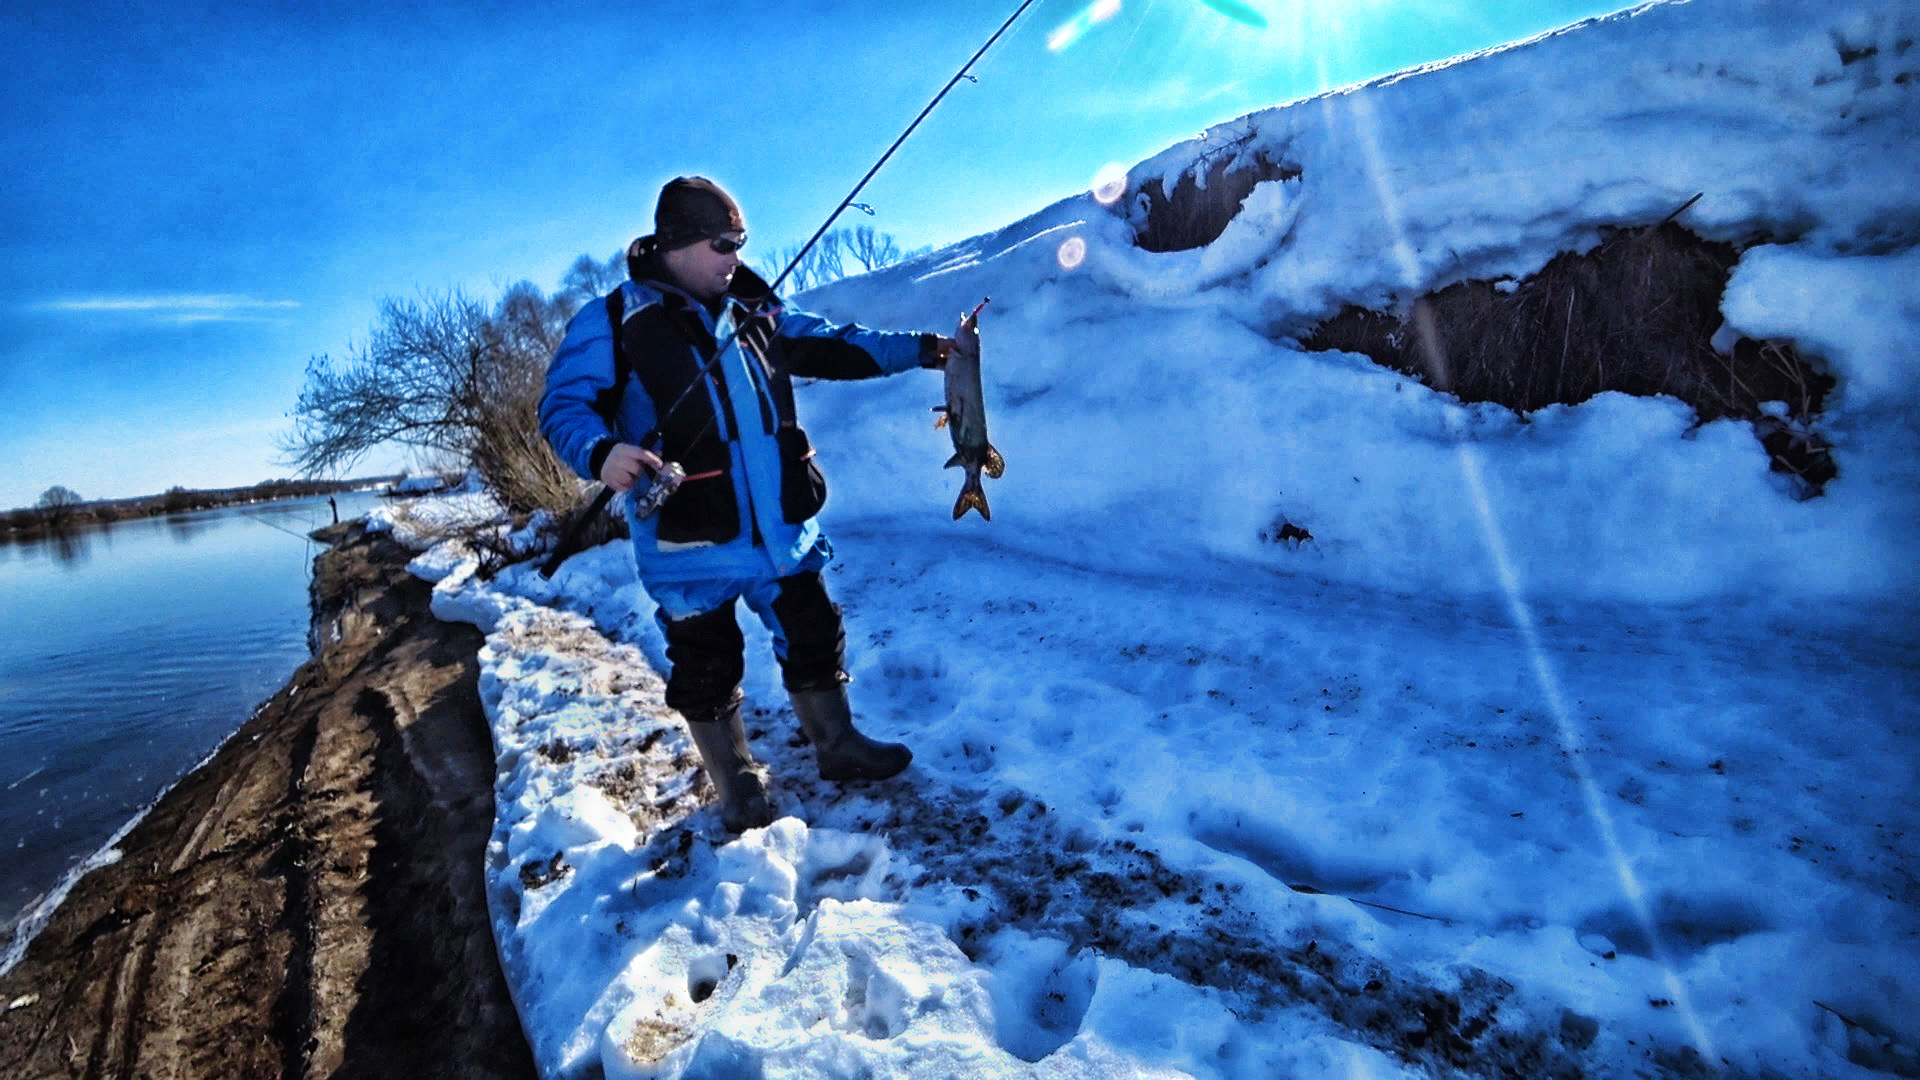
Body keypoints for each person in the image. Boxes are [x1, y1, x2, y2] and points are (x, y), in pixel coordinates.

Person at [540, 176, 952, 832]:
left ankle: (838, 746)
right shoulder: (615, 319)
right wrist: (600, 453)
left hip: (781, 525)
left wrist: (922, 350)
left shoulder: (756, 306)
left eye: (742, 241)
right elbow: (563, 406)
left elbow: (837, 342)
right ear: (676, 243)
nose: (737, 254)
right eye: (724, 242)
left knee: (816, 630)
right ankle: (737, 784)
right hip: (687, 544)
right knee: (707, 666)